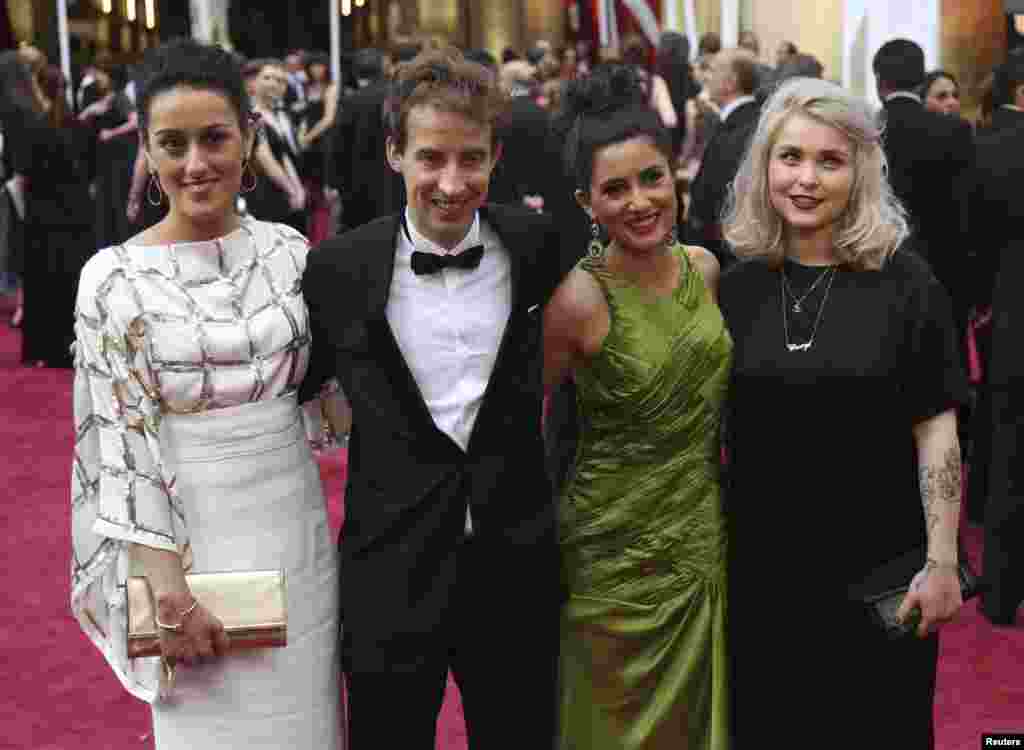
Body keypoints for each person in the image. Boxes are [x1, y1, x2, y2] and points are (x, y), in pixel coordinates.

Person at [69, 39, 343, 749]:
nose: (196, 163)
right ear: (149, 153)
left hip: (296, 532)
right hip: (186, 545)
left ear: (249, 136)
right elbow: (123, 445)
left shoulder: (291, 253)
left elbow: (337, 397)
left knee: (306, 726)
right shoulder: (113, 279)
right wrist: (166, 590)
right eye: (173, 143)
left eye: (215, 137)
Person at [300, 46, 571, 749]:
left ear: (494, 157)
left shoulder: (538, 246)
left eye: (471, 159)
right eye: (431, 159)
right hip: (389, 570)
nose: (452, 183)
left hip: (514, 568)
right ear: (395, 154)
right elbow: (296, 393)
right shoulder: (337, 268)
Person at [718, 77, 967, 747]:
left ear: (860, 172)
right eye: (790, 157)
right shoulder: (734, 288)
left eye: (829, 161)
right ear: (763, 164)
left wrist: (943, 561)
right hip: (760, 586)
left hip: (882, 578)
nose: (806, 178)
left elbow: (937, 429)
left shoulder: (907, 282)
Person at [545, 64, 730, 749]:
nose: (640, 201)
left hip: (698, 527)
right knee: (614, 721)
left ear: (675, 173)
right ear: (586, 202)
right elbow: (521, 421)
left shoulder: (707, 269)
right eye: (614, 189)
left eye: (651, 177)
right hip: (608, 546)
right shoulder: (578, 301)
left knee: (690, 717)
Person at [0, 52, 93, 368]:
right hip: (77, 213)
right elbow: (91, 169)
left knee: (45, 281)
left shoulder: (35, 129)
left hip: (44, 214)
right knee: (73, 280)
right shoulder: (80, 125)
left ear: (39, 88)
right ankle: (75, 343)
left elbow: (23, 171)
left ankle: (46, 346)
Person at [241, 59, 306, 232]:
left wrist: (297, 188)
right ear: (254, 82)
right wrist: (292, 190)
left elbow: (286, 156)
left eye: (280, 80)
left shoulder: (283, 115)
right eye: (267, 78)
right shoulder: (253, 117)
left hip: (289, 195)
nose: (273, 84)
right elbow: (265, 157)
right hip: (265, 196)